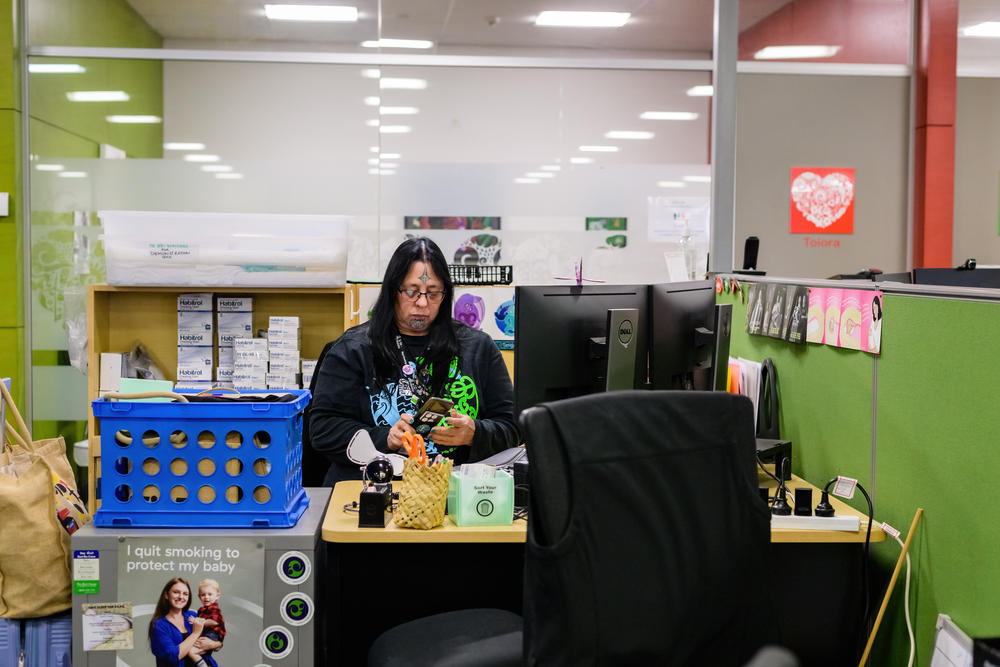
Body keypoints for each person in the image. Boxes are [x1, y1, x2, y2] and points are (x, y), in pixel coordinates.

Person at [309, 236, 520, 485]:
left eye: (433, 293)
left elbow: (513, 426)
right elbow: (322, 430)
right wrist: (384, 437)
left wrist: (475, 433)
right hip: (375, 490)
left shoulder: (478, 347)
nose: (422, 303)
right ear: (392, 290)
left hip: (454, 494)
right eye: (411, 292)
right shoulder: (354, 349)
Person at [148, 577, 220, 667]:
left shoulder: (193, 615)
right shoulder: (158, 625)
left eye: (185, 594)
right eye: (176, 592)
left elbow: (215, 636)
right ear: (166, 595)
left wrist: (215, 644)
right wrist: (195, 633)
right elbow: (173, 656)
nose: (181, 597)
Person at [194, 579, 226, 664]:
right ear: (199, 596)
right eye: (203, 595)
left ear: (217, 596)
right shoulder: (201, 610)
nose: (206, 597)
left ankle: (202, 664)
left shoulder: (214, 608)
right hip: (206, 633)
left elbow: (214, 621)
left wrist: (200, 622)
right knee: (195, 651)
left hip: (212, 634)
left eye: (210, 594)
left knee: (194, 650)